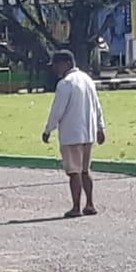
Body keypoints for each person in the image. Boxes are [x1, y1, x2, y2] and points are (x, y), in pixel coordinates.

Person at [42, 50, 106, 218]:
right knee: (85, 170)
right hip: (88, 132)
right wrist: (100, 127)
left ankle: (76, 207)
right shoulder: (87, 80)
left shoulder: (65, 84)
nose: (55, 68)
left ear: (67, 64)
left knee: (74, 172)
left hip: (72, 134)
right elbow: (97, 105)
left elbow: (57, 110)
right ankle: (90, 204)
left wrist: (48, 129)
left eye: (57, 64)